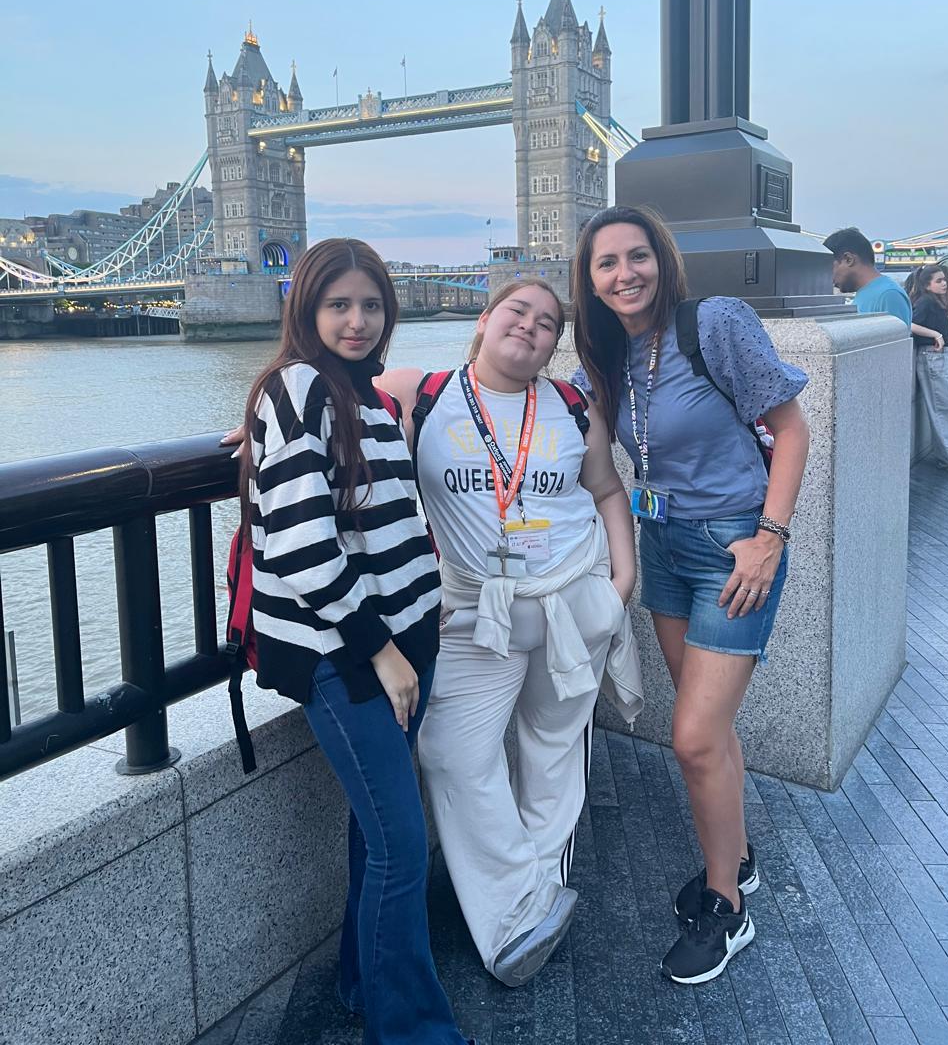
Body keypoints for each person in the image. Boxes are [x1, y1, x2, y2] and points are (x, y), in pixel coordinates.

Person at [237, 238, 473, 1045]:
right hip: (350, 655)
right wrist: (380, 649)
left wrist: (416, 625)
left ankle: (360, 983)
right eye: (337, 304)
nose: (357, 320)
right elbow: (302, 543)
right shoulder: (297, 388)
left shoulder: (365, 396)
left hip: (405, 640)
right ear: (305, 309)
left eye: (371, 305)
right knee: (401, 846)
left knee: (379, 837)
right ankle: (410, 1032)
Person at [377, 280, 643, 987]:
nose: (530, 326)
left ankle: (535, 897)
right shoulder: (421, 393)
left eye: (547, 323)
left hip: (571, 602)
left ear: (554, 344)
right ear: (485, 319)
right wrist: (259, 420)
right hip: (473, 615)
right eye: (517, 311)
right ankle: (520, 902)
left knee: (552, 754)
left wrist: (621, 582)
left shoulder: (571, 406)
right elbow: (322, 399)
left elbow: (606, 490)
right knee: (451, 753)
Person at [571, 205, 810, 985]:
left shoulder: (716, 324)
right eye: (607, 263)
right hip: (663, 548)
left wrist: (770, 537)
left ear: (662, 258)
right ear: (590, 280)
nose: (625, 274)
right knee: (708, 730)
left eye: (637, 256)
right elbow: (524, 403)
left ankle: (727, 909)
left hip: (732, 550)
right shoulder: (604, 358)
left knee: (695, 738)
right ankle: (734, 859)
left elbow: (792, 430)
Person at [910, 263, 948, 469]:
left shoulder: (938, 301)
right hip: (932, 357)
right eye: (939, 281)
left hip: (941, 356)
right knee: (943, 406)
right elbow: (909, 323)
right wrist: (935, 335)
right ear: (927, 285)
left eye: (944, 280)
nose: (944, 284)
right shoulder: (925, 302)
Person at [823, 226, 912, 325]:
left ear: (848, 259)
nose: (829, 278)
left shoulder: (888, 295)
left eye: (828, 269)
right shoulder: (866, 293)